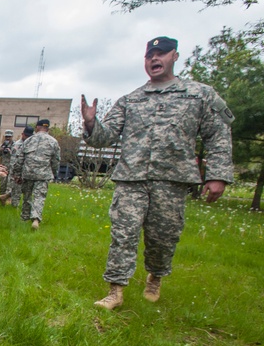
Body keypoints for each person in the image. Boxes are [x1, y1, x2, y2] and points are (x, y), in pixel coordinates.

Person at [82, 35, 234, 309]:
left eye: (161, 53)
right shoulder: (131, 100)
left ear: (175, 56)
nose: (154, 58)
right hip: (132, 178)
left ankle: (156, 275)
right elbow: (106, 137)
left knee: (163, 237)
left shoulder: (200, 94)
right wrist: (92, 124)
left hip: (172, 180)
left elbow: (218, 134)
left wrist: (217, 174)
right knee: (123, 233)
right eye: (150, 55)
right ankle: (115, 290)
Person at [13, 119, 60, 230]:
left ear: (37, 127)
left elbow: (20, 159)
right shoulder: (53, 142)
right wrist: (53, 172)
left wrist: (17, 174)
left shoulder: (28, 140)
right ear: (48, 128)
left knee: (27, 196)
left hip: (28, 173)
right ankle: (35, 219)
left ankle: (24, 217)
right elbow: (56, 160)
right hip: (43, 174)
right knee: (39, 197)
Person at [0, 130, 15, 203]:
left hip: (12, 168)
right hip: (4, 168)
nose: (8, 138)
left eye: (9, 137)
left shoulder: (15, 145)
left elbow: (17, 156)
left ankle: (8, 200)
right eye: (6, 136)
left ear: (12, 137)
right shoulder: (2, 145)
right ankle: (2, 198)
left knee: (10, 184)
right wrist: (0, 150)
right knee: (3, 184)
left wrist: (11, 152)